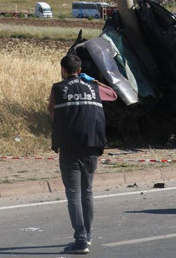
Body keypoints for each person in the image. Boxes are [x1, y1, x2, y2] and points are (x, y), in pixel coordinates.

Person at [49, 54, 117, 255]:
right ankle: (87, 235)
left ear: (63, 70)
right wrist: (92, 80)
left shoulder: (58, 88)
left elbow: (51, 112)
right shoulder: (93, 87)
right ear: (79, 70)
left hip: (69, 147)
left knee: (73, 194)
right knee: (87, 192)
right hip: (92, 145)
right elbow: (112, 94)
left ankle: (80, 241)